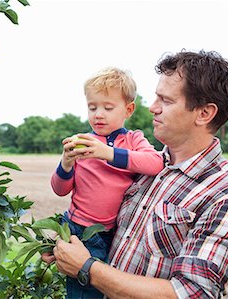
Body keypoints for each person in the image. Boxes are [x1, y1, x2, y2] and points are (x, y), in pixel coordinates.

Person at [44, 50, 228, 299]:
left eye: (165, 101)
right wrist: (67, 243)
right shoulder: (144, 169)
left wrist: (88, 268)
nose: (152, 108)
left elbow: (193, 293)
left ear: (204, 113)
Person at [51, 67, 164, 298]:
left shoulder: (132, 139)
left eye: (108, 107)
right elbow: (60, 190)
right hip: (77, 227)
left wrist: (107, 153)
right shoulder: (82, 141)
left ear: (129, 109)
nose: (98, 114)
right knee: (83, 293)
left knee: (105, 287)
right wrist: (66, 163)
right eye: (92, 107)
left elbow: (155, 163)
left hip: (109, 234)